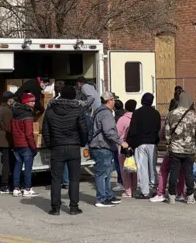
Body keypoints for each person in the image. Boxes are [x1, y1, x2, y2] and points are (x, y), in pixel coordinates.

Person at [42, 85, 87, 215]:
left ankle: (55, 208)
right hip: (73, 146)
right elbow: (83, 129)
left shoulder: (50, 110)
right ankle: (74, 207)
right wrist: (82, 142)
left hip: (57, 147)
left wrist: (50, 144)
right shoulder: (77, 109)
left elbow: (46, 130)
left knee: (56, 179)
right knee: (74, 178)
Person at [89, 91, 129, 207]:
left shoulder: (99, 111)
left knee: (106, 173)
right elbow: (109, 131)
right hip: (102, 147)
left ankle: (108, 195)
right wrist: (121, 142)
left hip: (101, 146)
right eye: (113, 100)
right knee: (102, 174)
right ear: (109, 100)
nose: (115, 102)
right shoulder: (106, 114)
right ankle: (101, 199)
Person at [165, 92, 196, 204]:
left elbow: (167, 132)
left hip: (175, 149)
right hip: (189, 149)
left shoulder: (171, 114)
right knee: (189, 173)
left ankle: (172, 196)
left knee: (174, 172)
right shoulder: (195, 115)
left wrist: (168, 144)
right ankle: (190, 196)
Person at [126, 93, 161, 199]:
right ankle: (154, 188)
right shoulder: (156, 113)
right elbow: (158, 128)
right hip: (153, 143)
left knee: (142, 168)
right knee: (152, 166)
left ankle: (145, 191)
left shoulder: (137, 113)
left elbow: (133, 129)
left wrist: (130, 143)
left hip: (140, 143)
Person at [9, 93, 38, 197]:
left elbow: (9, 129)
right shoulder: (28, 115)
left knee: (17, 166)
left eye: (34, 101)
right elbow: (29, 134)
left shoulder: (14, 112)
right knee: (28, 168)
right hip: (26, 145)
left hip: (17, 144)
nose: (34, 103)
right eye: (32, 101)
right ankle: (27, 189)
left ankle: (16, 188)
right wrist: (33, 147)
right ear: (26, 102)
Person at [0, 91, 15, 194]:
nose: (13, 100)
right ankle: (5, 185)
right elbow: (9, 127)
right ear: (9, 99)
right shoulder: (7, 111)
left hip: (0, 139)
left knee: (6, 162)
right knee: (8, 163)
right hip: (6, 140)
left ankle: (5, 184)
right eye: (12, 99)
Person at [116, 99, 138, 198]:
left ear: (126, 108)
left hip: (124, 145)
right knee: (133, 168)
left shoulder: (122, 119)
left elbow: (117, 133)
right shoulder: (137, 118)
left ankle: (128, 190)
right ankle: (134, 188)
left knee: (124, 169)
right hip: (135, 145)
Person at [111, 100, 125, 193]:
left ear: (114, 107)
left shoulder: (115, 118)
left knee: (118, 164)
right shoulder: (125, 115)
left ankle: (121, 183)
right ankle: (130, 183)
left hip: (118, 143)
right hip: (127, 143)